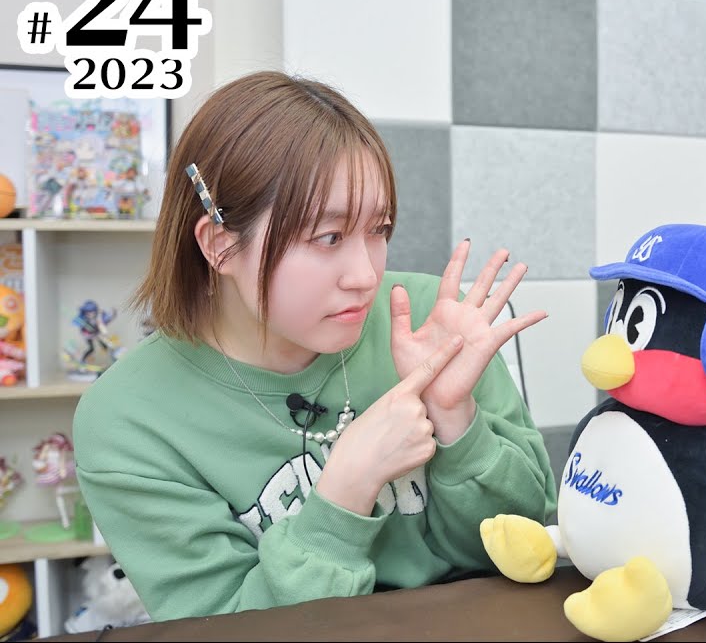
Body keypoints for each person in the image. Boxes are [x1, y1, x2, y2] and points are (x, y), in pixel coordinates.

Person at [72, 72, 557, 621]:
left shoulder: (430, 318)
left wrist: (456, 420)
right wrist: (346, 488)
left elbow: (530, 545)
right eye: (328, 237)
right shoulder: (128, 420)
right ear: (220, 245)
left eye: (379, 229)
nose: (366, 275)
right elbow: (224, 626)